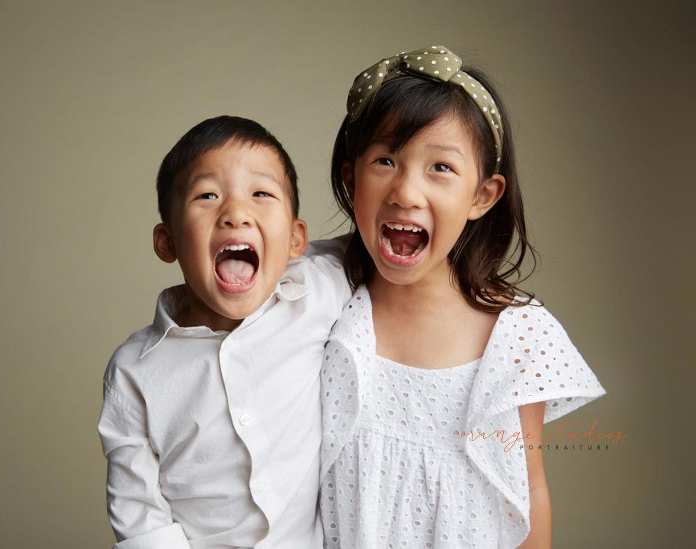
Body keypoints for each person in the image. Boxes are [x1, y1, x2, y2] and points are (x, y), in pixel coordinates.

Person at [319, 45, 606, 548]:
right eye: (385, 160)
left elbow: (529, 490)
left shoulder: (517, 336)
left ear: (482, 196)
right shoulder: (320, 305)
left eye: (440, 168)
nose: (405, 192)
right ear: (351, 177)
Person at [98, 116, 349, 549]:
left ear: (295, 240)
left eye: (261, 194)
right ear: (167, 241)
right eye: (207, 195)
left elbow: (388, 244)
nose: (236, 213)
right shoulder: (134, 370)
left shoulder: (316, 295)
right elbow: (140, 513)